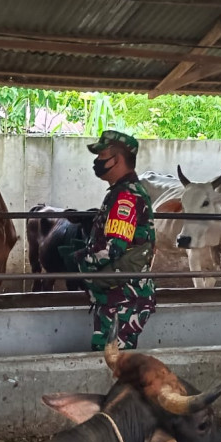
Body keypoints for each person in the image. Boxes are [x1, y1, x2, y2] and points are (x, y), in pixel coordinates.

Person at [72, 130, 156, 351]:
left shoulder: (125, 197)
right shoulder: (123, 192)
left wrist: (80, 261)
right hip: (119, 295)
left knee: (112, 362)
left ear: (116, 159)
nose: (97, 162)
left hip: (122, 298)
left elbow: (112, 249)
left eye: (101, 156)